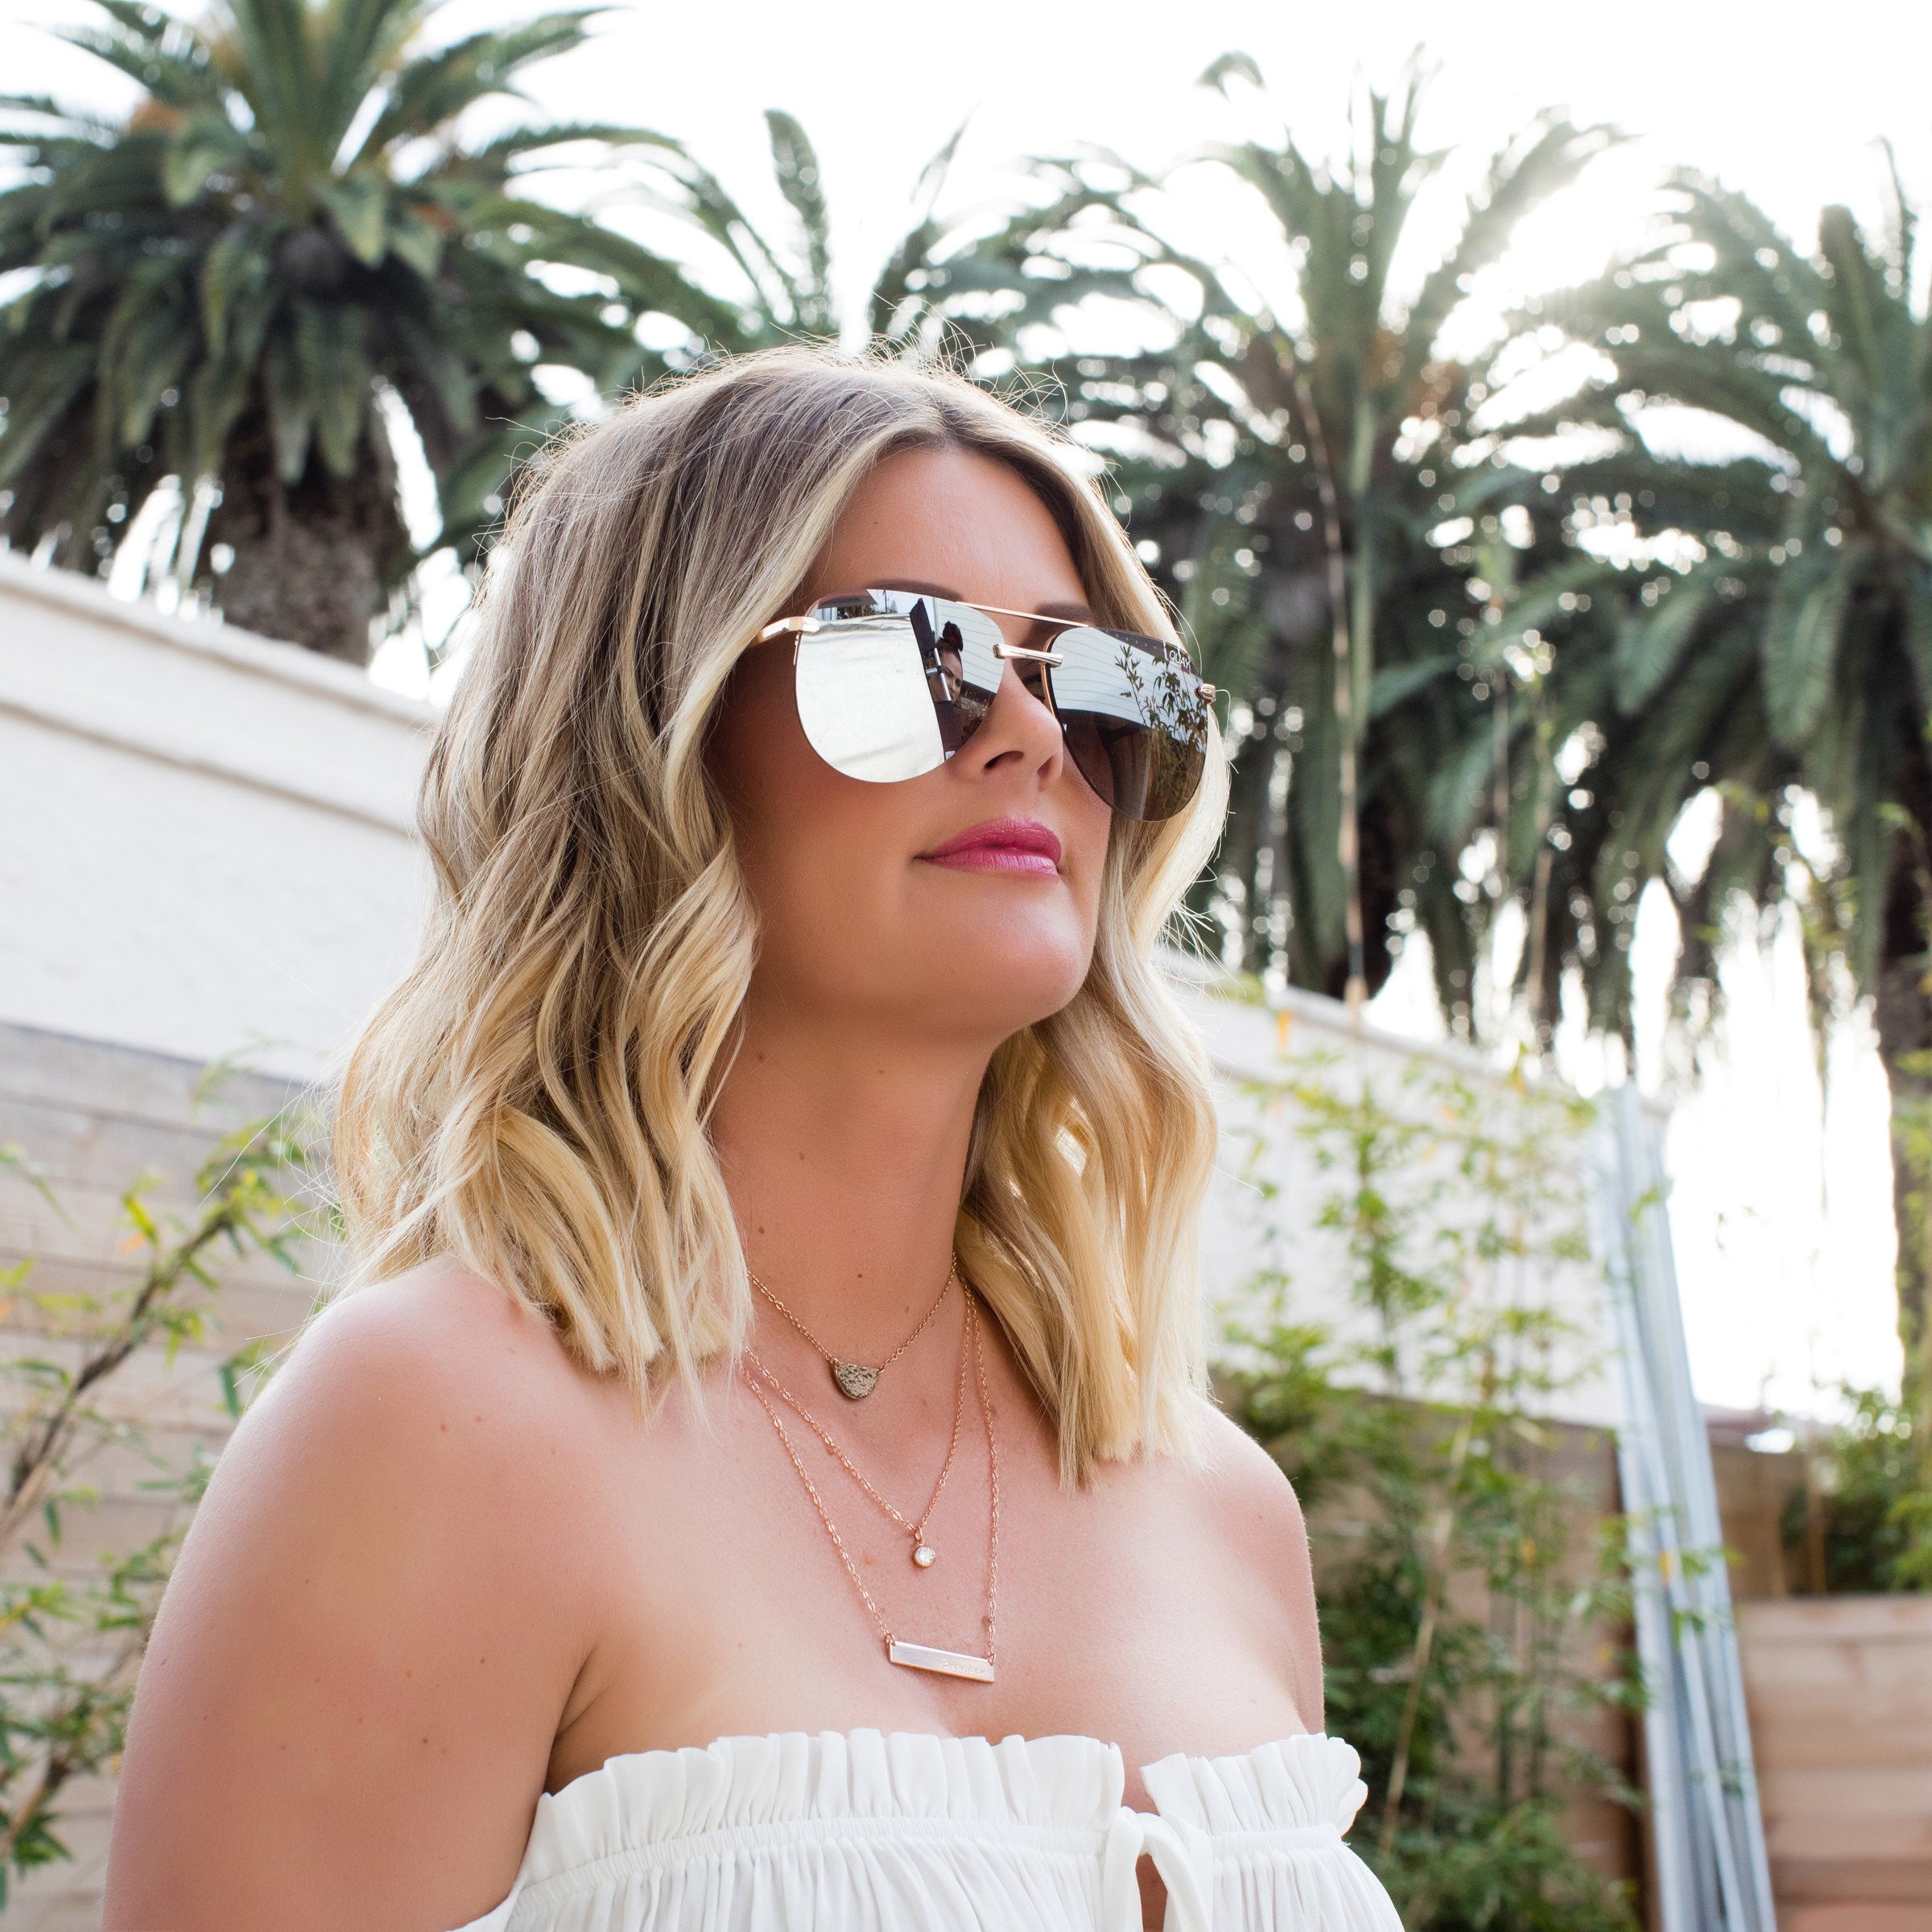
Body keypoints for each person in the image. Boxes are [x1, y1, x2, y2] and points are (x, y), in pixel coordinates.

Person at [101, 347, 1403, 1932]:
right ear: (650, 737)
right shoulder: (439, 1428)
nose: (1032, 738)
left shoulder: (1225, 1512)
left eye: (1092, 680)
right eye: (911, 656)